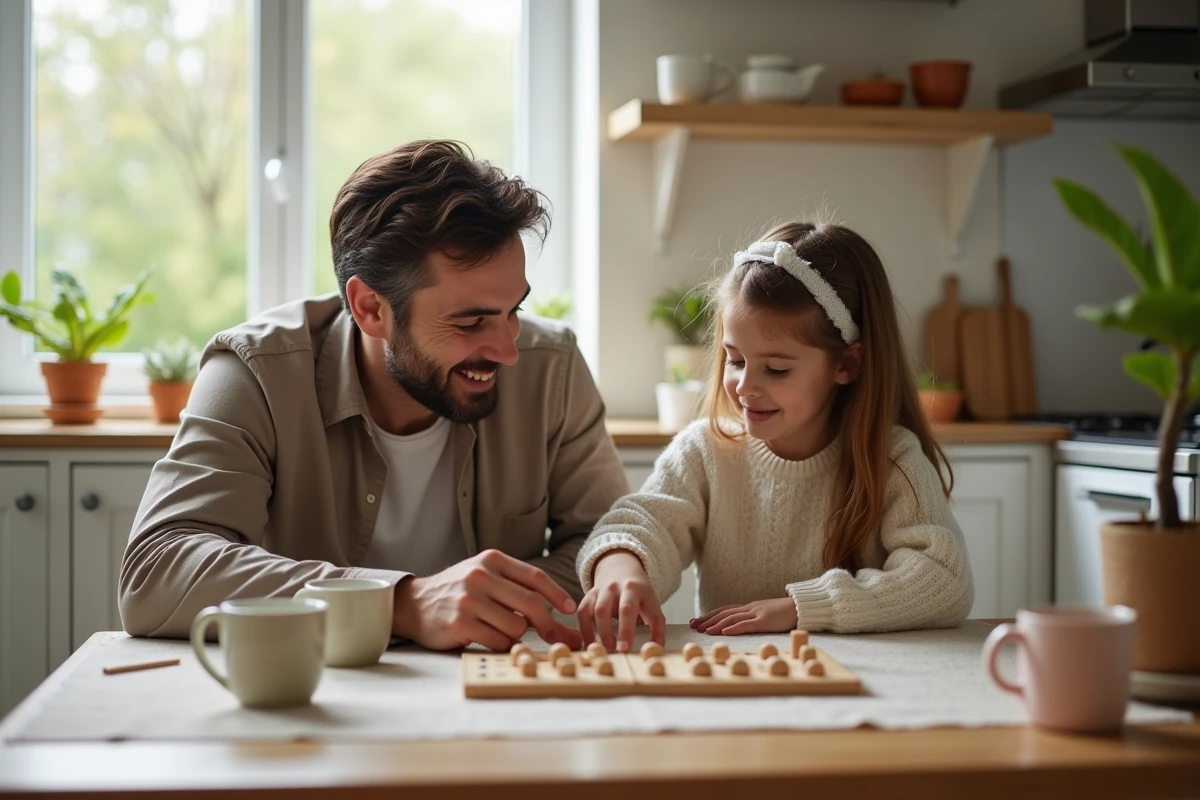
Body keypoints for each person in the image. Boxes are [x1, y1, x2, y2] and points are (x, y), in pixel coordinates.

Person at [120, 140, 629, 652]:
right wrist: (402, 603)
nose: (507, 351)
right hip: (315, 696)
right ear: (369, 308)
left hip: (492, 686)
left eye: (513, 310)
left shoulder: (552, 367)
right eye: (471, 321)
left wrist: (494, 605)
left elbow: (608, 538)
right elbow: (156, 569)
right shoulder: (257, 373)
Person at [575, 220, 974, 652]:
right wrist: (621, 566)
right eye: (734, 360)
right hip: (736, 681)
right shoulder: (705, 451)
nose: (745, 386)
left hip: (860, 684)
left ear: (847, 365)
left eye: (777, 369)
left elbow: (944, 580)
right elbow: (641, 523)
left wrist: (800, 608)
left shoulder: (892, 459)